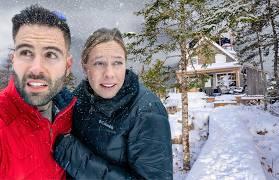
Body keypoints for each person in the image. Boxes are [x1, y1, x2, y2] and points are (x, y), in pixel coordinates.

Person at [54, 28, 173, 179]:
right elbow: (75, 116)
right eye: (99, 63)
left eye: (117, 63)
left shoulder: (147, 112)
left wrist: (73, 157)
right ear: (85, 68)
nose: (109, 73)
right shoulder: (84, 94)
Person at [0, 5, 76, 179]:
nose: (36, 69)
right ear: (14, 60)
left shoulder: (72, 113)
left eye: (51, 55)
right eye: (26, 52)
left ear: (68, 66)